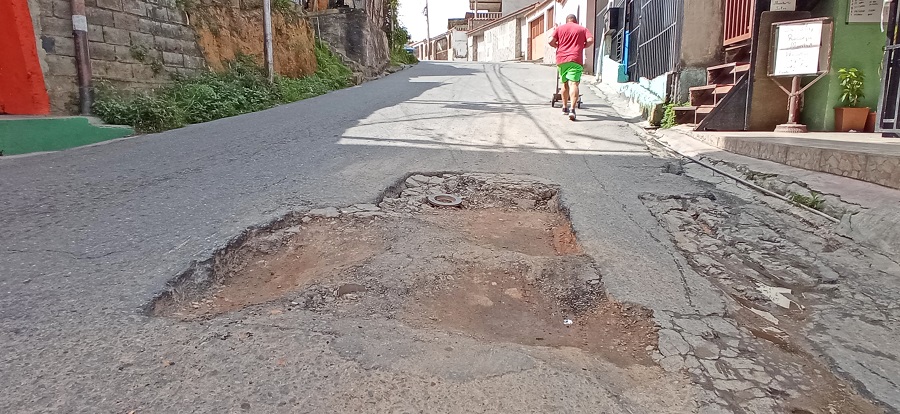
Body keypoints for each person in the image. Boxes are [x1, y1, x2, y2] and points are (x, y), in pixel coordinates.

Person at [549, 14, 593, 121]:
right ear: (576, 21)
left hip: (562, 59)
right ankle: (572, 110)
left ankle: (564, 107)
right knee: (574, 83)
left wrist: (557, 46)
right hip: (575, 59)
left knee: (564, 83)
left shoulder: (559, 28)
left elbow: (550, 41)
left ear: (566, 20)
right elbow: (590, 40)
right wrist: (583, 46)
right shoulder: (582, 29)